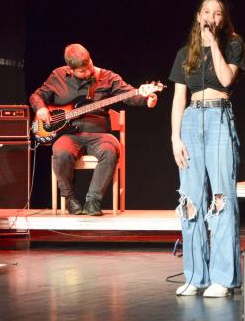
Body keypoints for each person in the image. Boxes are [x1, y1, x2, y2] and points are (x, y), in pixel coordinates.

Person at [170, 0, 245, 297]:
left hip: (218, 117)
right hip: (191, 120)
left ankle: (223, 278)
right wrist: (175, 137)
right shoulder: (184, 53)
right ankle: (194, 276)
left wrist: (213, 42)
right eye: (206, 12)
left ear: (222, 19)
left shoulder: (233, 44)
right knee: (190, 201)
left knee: (221, 198)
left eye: (217, 14)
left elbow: (226, 79)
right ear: (198, 16)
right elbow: (178, 98)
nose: (210, 18)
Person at [30, 44, 157, 216]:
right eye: (82, 71)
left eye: (89, 66)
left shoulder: (107, 77)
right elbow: (36, 96)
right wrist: (41, 109)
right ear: (70, 68)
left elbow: (128, 93)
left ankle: (93, 201)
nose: (88, 73)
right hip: (68, 134)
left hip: (99, 133)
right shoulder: (58, 75)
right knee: (60, 152)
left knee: (111, 150)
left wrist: (145, 99)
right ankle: (70, 199)